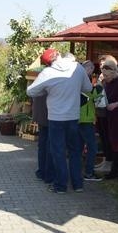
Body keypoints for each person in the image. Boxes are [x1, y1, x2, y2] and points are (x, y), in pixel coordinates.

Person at [26, 48, 93, 193]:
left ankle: (61, 185)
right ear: (58, 54)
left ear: (47, 63)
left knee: (58, 152)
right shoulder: (78, 68)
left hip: (56, 118)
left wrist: (46, 90)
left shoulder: (47, 73)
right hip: (73, 116)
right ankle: (78, 184)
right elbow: (88, 88)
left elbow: (31, 91)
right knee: (75, 151)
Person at [94, 54, 117, 175]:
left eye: (103, 64)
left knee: (108, 138)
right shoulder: (101, 76)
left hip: (107, 112)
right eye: (100, 64)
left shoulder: (110, 78)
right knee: (103, 137)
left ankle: (109, 162)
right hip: (100, 111)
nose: (101, 66)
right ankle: (106, 160)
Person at [79, 60, 101, 182]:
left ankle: (77, 172)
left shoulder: (77, 77)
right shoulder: (84, 79)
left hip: (79, 117)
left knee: (78, 147)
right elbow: (91, 94)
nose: (92, 71)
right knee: (92, 147)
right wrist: (99, 86)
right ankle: (89, 173)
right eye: (91, 69)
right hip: (85, 118)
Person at [32, 94, 54, 184]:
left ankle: (41, 172)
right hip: (51, 116)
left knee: (42, 145)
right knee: (49, 145)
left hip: (41, 115)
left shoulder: (40, 81)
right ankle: (48, 174)